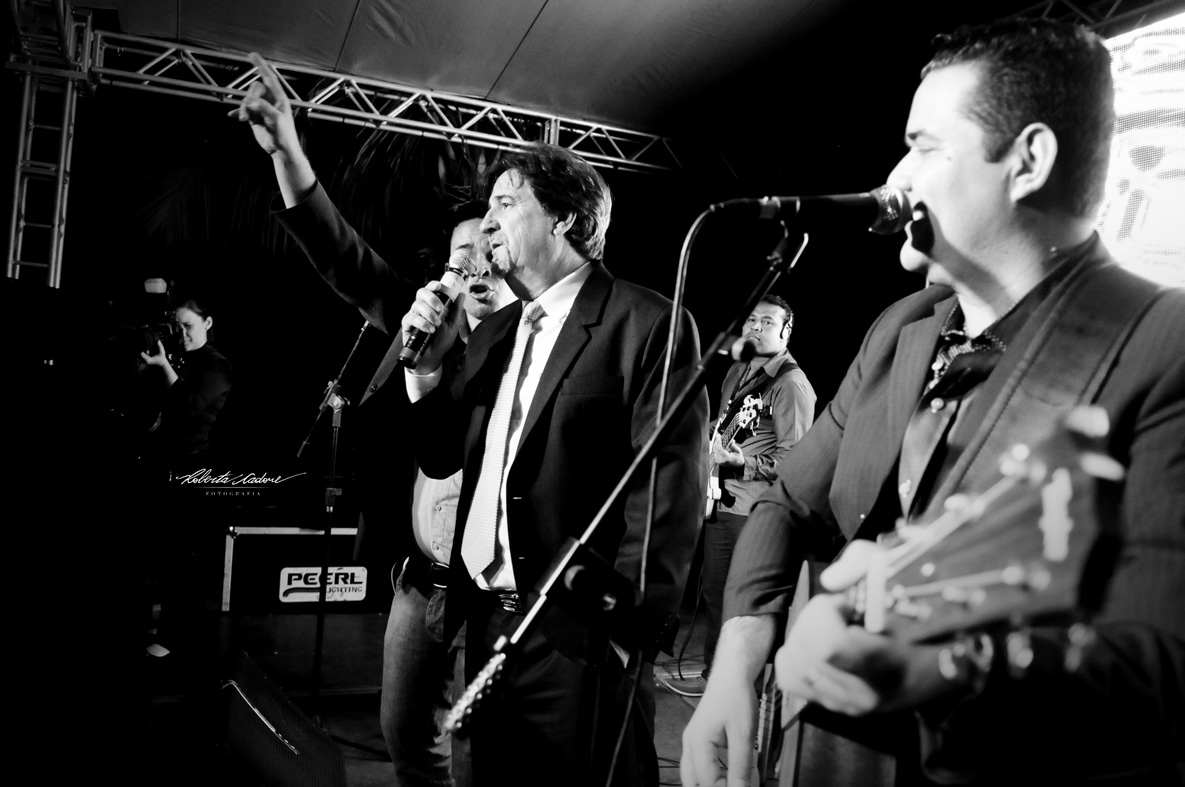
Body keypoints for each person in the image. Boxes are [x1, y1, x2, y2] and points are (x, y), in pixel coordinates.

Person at [681, 18, 1184, 787]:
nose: (894, 175)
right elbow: (787, 500)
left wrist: (939, 661)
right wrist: (738, 653)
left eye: (922, 146)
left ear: (1028, 162)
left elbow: (1159, 671)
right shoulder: (903, 326)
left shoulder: (1161, 344)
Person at [234, 53, 513, 787]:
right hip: (423, 578)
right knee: (404, 732)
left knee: (490, 747)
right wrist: (288, 152)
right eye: (460, 253)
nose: (474, 262)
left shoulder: (535, 340)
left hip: (498, 583)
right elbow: (342, 254)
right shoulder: (421, 324)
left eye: (489, 246)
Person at [400, 141, 709, 787]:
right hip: (488, 625)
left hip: (580, 639)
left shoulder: (646, 323)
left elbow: (666, 496)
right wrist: (424, 369)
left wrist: (621, 637)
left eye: (505, 204)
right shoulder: (493, 332)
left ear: (564, 217)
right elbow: (440, 453)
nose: (486, 224)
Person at [695, 295, 814, 688]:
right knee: (716, 596)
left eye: (767, 322)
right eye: (752, 320)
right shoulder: (738, 371)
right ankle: (716, 680)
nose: (756, 328)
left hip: (755, 511)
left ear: (786, 331)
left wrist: (742, 462)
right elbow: (722, 424)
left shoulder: (791, 384)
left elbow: (796, 459)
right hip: (721, 503)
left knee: (746, 605)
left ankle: (746, 688)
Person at [140, 296, 233, 465]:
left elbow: (187, 407)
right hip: (159, 454)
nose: (182, 334)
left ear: (207, 323)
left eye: (188, 326)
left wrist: (164, 365)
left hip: (191, 460)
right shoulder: (176, 356)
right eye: (178, 326)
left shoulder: (217, 365)